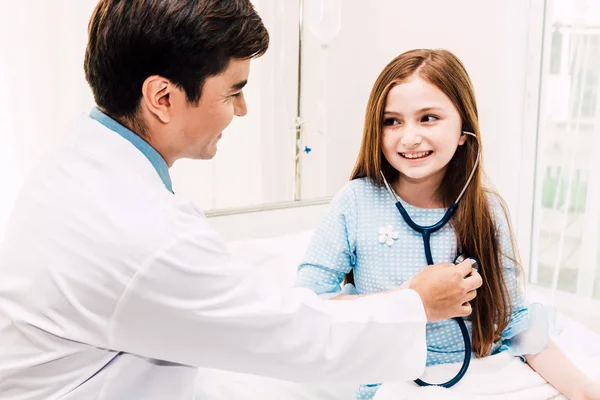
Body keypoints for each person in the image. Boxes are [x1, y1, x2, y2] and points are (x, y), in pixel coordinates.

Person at [0, 3, 483, 399]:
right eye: (233, 91)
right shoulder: (146, 235)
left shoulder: (72, 161)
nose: (243, 109)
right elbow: (294, 335)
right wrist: (413, 304)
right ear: (162, 97)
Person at [296, 49, 600, 400]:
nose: (409, 137)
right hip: (395, 379)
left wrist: (582, 388)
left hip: (485, 373)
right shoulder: (356, 202)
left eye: (428, 118)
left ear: (463, 130)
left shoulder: (485, 209)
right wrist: (410, 299)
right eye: (391, 121)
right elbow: (308, 304)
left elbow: (516, 322)